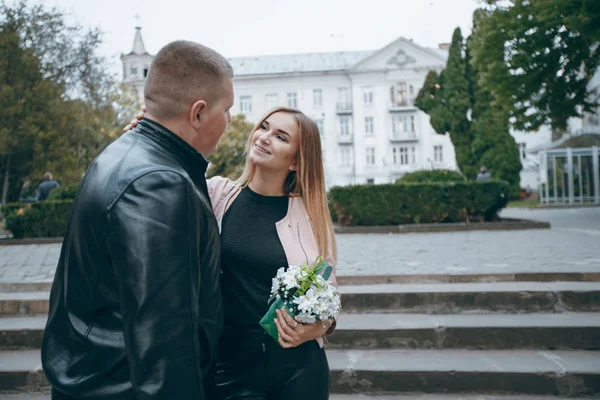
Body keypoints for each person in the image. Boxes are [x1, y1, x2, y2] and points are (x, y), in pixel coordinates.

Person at [41, 40, 234, 400]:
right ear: (198, 113)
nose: (229, 122)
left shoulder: (124, 154)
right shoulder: (159, 183)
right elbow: (165, 343)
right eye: (227, 110)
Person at [125, 106, 339, 400]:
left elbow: (329, 296)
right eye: (263, 127)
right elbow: (164, 177)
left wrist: (318, 328)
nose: (264, 137)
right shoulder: (215, 195)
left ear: (296, 162)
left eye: (280, 136)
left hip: (298, 368)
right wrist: (146, 135)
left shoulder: (310, 214)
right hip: (230, 366)